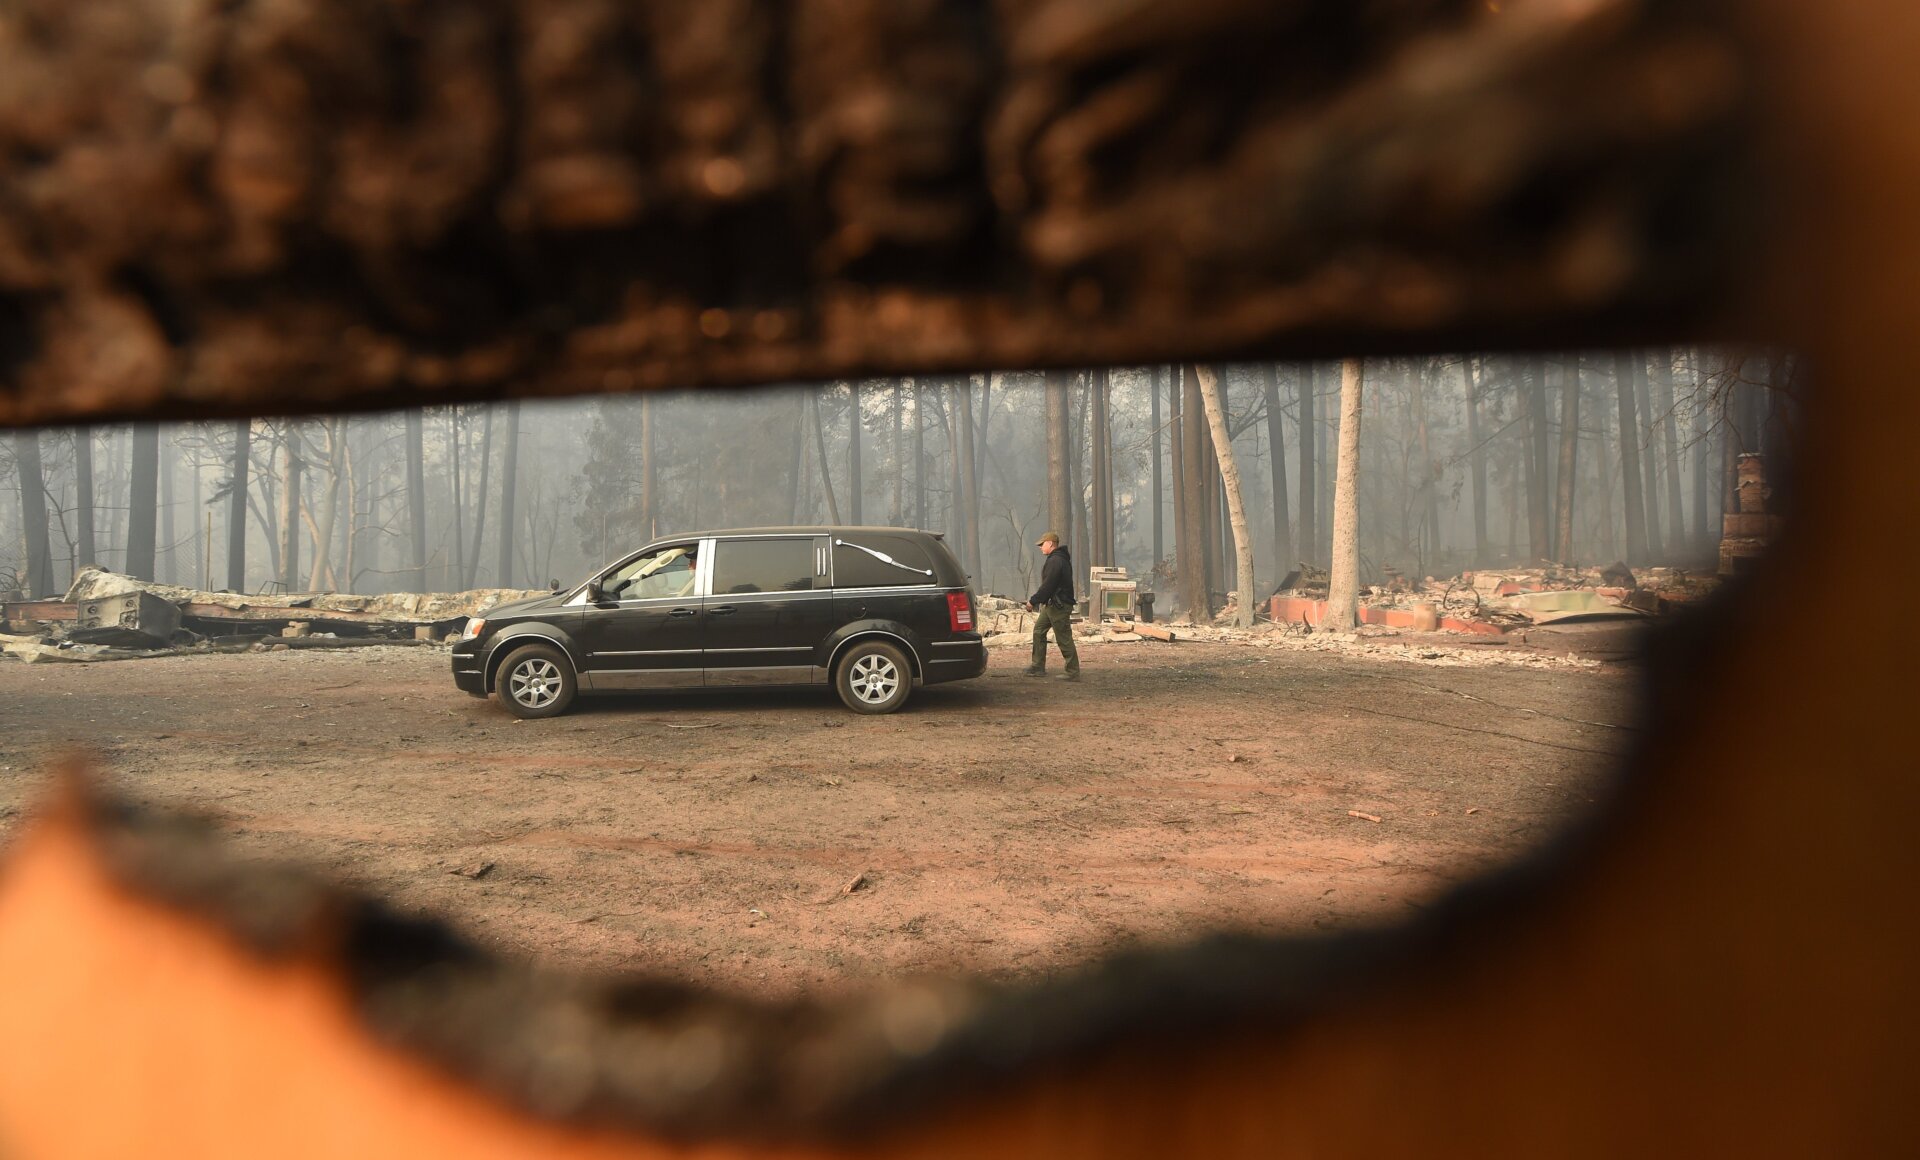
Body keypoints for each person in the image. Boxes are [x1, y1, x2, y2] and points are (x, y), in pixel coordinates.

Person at [1025, 532, 1080, 680]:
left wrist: (1033, 601)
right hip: (1051, 605)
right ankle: (1037, 666)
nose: (1041, 547)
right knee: (1039, 631)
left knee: (1063, 637)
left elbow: (1048, 586)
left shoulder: (1056, 561)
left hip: (1059, 606)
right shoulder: (1057, 559)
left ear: (1050, 543)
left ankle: (1073, 671)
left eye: (1042, 544)